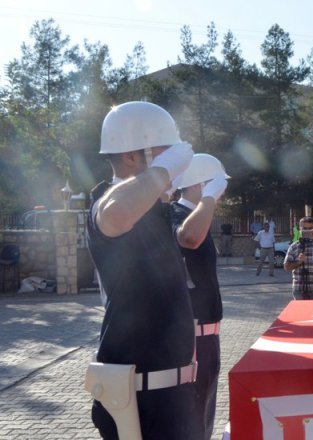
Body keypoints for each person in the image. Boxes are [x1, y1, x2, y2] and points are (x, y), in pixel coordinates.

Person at [85, 101, 197, 438]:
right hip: (140, 398)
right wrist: (163, 171)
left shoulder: (152, 207)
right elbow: (116, 213)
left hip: (171, 394)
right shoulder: (108, 199)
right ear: (133, 156)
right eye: (164, 153)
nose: (174, 163)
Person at [170, 153, 229, 440]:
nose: (220, 197)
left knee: (204, 411)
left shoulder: (195, 217)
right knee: (194, 414)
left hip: (206, 335)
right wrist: (208, 199)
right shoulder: (176, 216)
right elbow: (188, 239)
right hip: (192, 335)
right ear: (200, 185)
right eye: (216, 188)